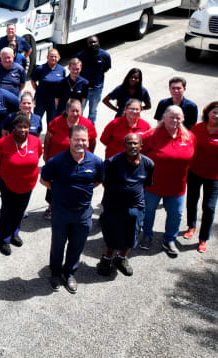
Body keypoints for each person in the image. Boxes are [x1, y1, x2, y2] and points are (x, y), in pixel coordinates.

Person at [40, 125, 104, 294]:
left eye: (83, 139)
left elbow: (97, 181)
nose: (80, 143)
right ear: (69, 140)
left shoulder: (96, 162)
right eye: (76, 139)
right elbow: (44, 180)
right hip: (61, 211)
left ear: (88, 141)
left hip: (83, 212)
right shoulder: (56, 161)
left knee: (77, 245)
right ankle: (55, 272)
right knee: (58, 244)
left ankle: (69, 273)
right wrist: (58, 191)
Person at [140, 106, 195, 257]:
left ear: (183, 119)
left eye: (178, 118)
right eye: (172, 117)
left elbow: (192, 157)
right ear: (164, 117)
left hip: (177, 186)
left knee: (176, 214)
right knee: (148, 211)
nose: (175, 120)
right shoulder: (151, 135)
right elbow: (138, 157)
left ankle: (169, 239)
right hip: (153, 185)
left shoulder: (189, 136)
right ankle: (147, 235)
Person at [97, 133, 154, 277]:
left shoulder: (148, 164)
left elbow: (147, 184)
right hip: (114, 206)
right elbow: (104, 182)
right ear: (125, 145)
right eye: (129, 143)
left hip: (136, 207)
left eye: (135, 143)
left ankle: (121, 258)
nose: (132, 146)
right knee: (112, 236)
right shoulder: (112, 162)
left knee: (131, 237)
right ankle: (107, 259)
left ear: (141, 146)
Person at [184, 101, 218, 253]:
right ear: (208, 112)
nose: (217, 115)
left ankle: (203, 239)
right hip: (194, 171)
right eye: (214, 112)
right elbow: (189, 146)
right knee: (192, 200)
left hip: (216, 175)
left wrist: (217, 161)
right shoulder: (197, 128)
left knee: (209, 207)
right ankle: (191, 226)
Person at [0, 114, 43, 255]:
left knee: (20, 211)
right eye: (19, 126)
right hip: (8, 184)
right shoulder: (4, 142)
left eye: (26, 127)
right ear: (13, 128)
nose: (23, 129)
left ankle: (14, 233)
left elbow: (37, 156)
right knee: (8, 212)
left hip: (28, 184)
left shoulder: (35, 141)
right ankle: (4, 239)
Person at [43, 99, 97, 220]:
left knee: (75, 184)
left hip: (78, 161)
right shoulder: (56, 122)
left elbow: (92, 141)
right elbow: (48, 138)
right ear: (66, 111)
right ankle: (51, 206)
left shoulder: (87, 124)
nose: (75, 114)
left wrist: (88, 156)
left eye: (78, 111)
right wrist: (46, 155)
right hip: (57, 162)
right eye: (72, 111)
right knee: (54, 184)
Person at [76, 36, 112, 124]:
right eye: (90, 43)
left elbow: (106, 68)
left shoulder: (105, 56)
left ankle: (90, 129)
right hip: (83, 90)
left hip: (97, 90)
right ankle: (78, 128)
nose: (92, 44)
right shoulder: (81, 55)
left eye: (94, 42)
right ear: (87, 44)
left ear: (98, 42)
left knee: (93, 112)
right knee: (79, 111)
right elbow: (76, 70)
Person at [31, 49, 66, 126]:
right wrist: (38, 90)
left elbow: (63, 84)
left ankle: (49, 138)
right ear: (47, 57)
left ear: (58, 57)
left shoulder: (62, 70)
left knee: (52, 123)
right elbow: (33, 81)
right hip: (41, 100)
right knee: (36, 121)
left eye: (55, 57)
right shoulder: (40, 69)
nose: (53, 58)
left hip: (54, 102)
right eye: (51, 56)